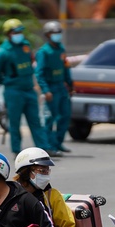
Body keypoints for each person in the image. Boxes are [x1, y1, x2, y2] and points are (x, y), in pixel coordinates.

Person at [0, 19, 51, 158]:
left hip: (29, 89)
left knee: (35, 121)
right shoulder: (2, 52)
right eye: (15, 32)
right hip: (14, 91)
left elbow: (30, 62)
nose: (19, 34)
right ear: (8, 34)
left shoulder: (26, 46)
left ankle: (43, 149)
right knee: (15, 122)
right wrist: (8, 81)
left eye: (20, 31)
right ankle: (17, 150)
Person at [36, 21, 73, 155]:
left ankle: (58, 142)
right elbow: (39, 73)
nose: (57, 36)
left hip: (61, 87)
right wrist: (45, 90)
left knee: (65, 116)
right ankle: (49, 146)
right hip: (51, 88)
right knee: (50, 118)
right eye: (54, 33)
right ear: (47, 35)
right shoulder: (44, 52)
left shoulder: (61, 49)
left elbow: (65, 68)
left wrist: (70, 84)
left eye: (59, 33)